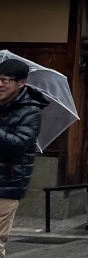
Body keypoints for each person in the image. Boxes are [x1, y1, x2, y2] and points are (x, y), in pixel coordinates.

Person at [0, 60, 46, 258]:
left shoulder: (31, 111)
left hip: (6, 185)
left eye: (5, 80)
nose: (0, 84)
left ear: (21, 83)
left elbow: (18, 145)